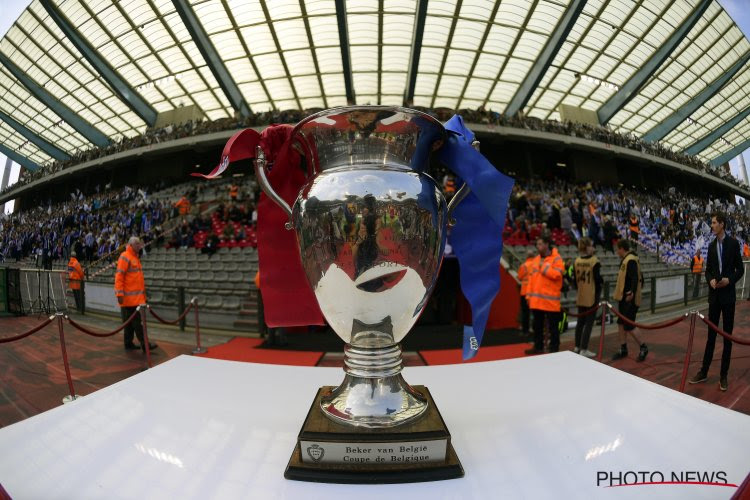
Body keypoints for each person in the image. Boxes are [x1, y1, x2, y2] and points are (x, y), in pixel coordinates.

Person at [689, 212, 744, 391]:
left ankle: (723, 375)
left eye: (713, 223)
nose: (711, 226)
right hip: (714, 297)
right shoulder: (711, 246)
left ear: (721, 224)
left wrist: (729, 280)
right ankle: (703, 371)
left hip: (728, 296)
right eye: (711, 223)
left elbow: (740, 269)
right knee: (710, 337)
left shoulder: (734, 244)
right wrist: (710, 280)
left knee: (727, 337)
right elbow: (708, 270)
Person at [114, 237, 157, 352]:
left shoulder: (135, 258)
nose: (140, 246)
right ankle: (145, 344)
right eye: (137, 244)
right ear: (131, 245)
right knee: (137, 323)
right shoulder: (125, 257)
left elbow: (137, 281)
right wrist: (119, 294)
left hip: (135, 298)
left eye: (140, 244)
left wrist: (143, 297)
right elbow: (119, 276)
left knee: (129, 323)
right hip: (130, 299)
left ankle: (128, 343)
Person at [525, 235, 564, 355]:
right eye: (537, 244)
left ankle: (554, 349)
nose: (538, 247)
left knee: (553, 328)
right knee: (537, 326)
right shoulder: (536, 259)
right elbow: (531, 279)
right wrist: (528, 296)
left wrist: (544, 268)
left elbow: (557, 275)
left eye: (540, 244)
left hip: (550, 301)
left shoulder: (556, 258)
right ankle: (538, 346)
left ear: (547, 244)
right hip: (537, 301)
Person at [611, 239, 647, 361]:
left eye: (617, 249)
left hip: (629, 298)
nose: (617, 252)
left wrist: (631, 292)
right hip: (623, 297)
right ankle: (623, 348)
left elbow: (635, 277)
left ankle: (643, 347)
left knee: (629, 324)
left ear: (622, 248)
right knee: (621, 323)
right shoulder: (627, 259)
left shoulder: (630, 260)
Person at [573, 237, 602, 357]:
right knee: (589, 323)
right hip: (591, 295)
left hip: (581, 294)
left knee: (580, 322)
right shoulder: (594, 261)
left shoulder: (577, 260)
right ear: (587, 247)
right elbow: (598, 279)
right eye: (591, 246)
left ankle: (577, 346)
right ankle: (584, 349)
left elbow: (575, 281)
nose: (593, 248)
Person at [517, 248, 536, 335]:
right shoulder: (537, 265)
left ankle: (526, 330)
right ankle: (536, 329)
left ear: (527, 256)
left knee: (525, 312)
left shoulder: (523, 265)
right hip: (535, 292)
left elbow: (520, 277)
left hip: (525, 292)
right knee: (536, 312)